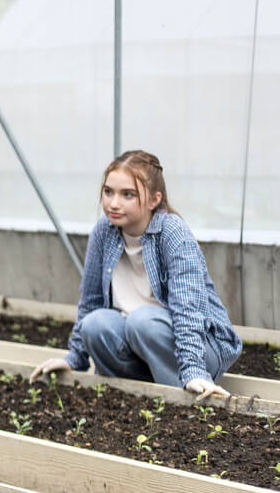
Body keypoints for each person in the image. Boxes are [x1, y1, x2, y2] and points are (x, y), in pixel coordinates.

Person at [30, 150, 241, 402]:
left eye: (127, 194)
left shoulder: (172, 232)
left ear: (154, 200)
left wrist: (194, 369)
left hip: (201, 348)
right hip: (141, 342)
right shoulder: (104, 232)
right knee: (96, 325)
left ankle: (185, 399)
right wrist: (73, 358)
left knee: (142, 321)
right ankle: (133, 399)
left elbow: (189, 309)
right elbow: (91, 300)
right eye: (108, 192)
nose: (113, 203)